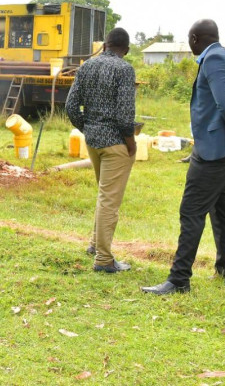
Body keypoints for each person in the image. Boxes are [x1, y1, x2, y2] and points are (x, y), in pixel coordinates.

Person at [141, 20, 225, 295]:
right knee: (223, 210)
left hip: (214, 151)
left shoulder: (214, 59)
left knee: (192, 211)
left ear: (195, 38)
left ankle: (179, 279)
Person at [65, 27, 137, 273]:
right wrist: (131, 143)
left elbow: (71, 106)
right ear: (125, 50)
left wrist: (88, 128)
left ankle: (95, 245)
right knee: (109, 201)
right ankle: (104, 260)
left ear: (105, 45)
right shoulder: (125, 69)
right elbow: (125, 115)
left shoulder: (87, 66)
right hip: (116, 143)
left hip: (93, 141)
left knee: (103, 195)